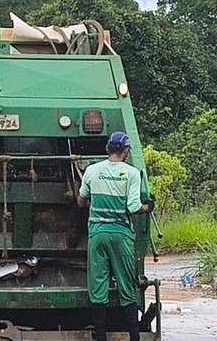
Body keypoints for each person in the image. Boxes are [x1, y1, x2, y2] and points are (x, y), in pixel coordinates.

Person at [77, 131, 152, 341]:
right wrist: (148, 207)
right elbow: (134, 206)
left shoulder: (92, 171)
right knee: (126, 287)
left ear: (107, 149)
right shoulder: (131, 173)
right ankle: (134, 337)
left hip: (98, 236)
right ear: (126, 150)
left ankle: (100, 337)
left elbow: (81, 201)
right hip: (121, 236)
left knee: (98, 287)